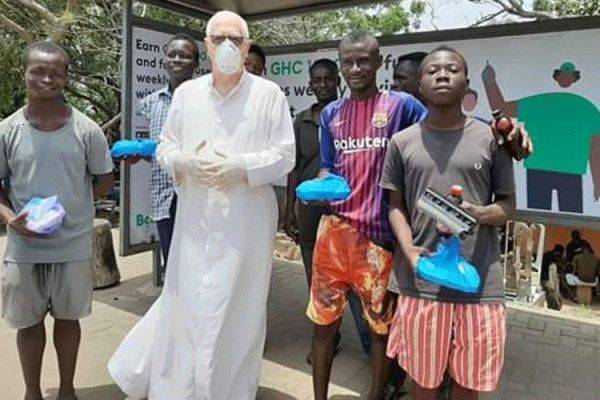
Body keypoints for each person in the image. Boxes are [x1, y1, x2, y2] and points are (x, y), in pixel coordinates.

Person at [108, 11, 295, 400]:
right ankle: (179, 387)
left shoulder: (269, 94)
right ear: (206, 44)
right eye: (219, 37)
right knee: (188, 302)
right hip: (195, 218)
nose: (227, 45)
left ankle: (230, 390)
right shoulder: (187, 95)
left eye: (236, 38)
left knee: (240, 308)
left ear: (246, 46)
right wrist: (184, 162)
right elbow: (165, 146)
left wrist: (241, 168)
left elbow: (285, 155)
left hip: (246, 222)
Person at [381, 46, 516, 400]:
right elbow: (395, 206)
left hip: (479, 283)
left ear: (467, 83)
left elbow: (507, 206)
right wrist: (409, 250)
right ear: (420, 86)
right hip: (421, 282)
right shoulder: (401, 142)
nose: (442, 75)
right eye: (433, 71)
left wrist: (475, 212)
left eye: (452, 69)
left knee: (468, 384)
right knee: (422, 383)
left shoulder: (492, 139)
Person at [306, 30, 428, 400]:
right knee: (324, 325)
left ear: (378, 62)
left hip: (378, 236)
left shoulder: (403, 106)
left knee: (380, 330)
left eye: (363, 61)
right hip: (335, 232)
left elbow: (441, 128)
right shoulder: (331, 113)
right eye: (348, 62)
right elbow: (330, 167)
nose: (355, 68)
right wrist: (318, 186)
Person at [0, 41, 114, 400]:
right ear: (25, 74)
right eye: (38, 71)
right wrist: (10, 219)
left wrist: (76, 208)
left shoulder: (87, 130)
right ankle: (32, 392)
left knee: (69, 319)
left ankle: (67, 390)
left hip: (72, 245)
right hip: (24, 246)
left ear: (66, 78)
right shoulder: (7, 131)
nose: (47, 79)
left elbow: (104, 178)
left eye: (55, 73)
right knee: (28, 323)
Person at [284, 58, 372, 362]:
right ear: (310, 84)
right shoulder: (303, 120)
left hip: (347, 212)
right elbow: (295, 166)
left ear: (338, 81)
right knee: (318, 280)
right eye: (316, 80)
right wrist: (289, 209)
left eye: (327, 79)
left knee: (361, 285)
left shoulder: (351, 116)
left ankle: (371, 348)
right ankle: (326, 339)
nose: (322, 85)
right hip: (310, 213)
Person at [120, 34, 199, 275]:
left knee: (196, 262)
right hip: (164, 193)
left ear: (196, 63)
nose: (177, 59)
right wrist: (139, 153)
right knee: (172, 265)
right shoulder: (151, 102)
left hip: (197, 192)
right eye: (172, 54)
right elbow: (159, 148)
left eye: (184, 56)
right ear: (164, 60)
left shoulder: (206, 100)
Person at [482, 61, 600, 213]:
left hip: (564, 171)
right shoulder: (584, 106)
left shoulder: (584, 107)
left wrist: (489, 81)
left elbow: (596, 147)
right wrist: (489, 81)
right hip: (543, 169)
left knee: (567, 214)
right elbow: (501, 109)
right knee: (544, 214)